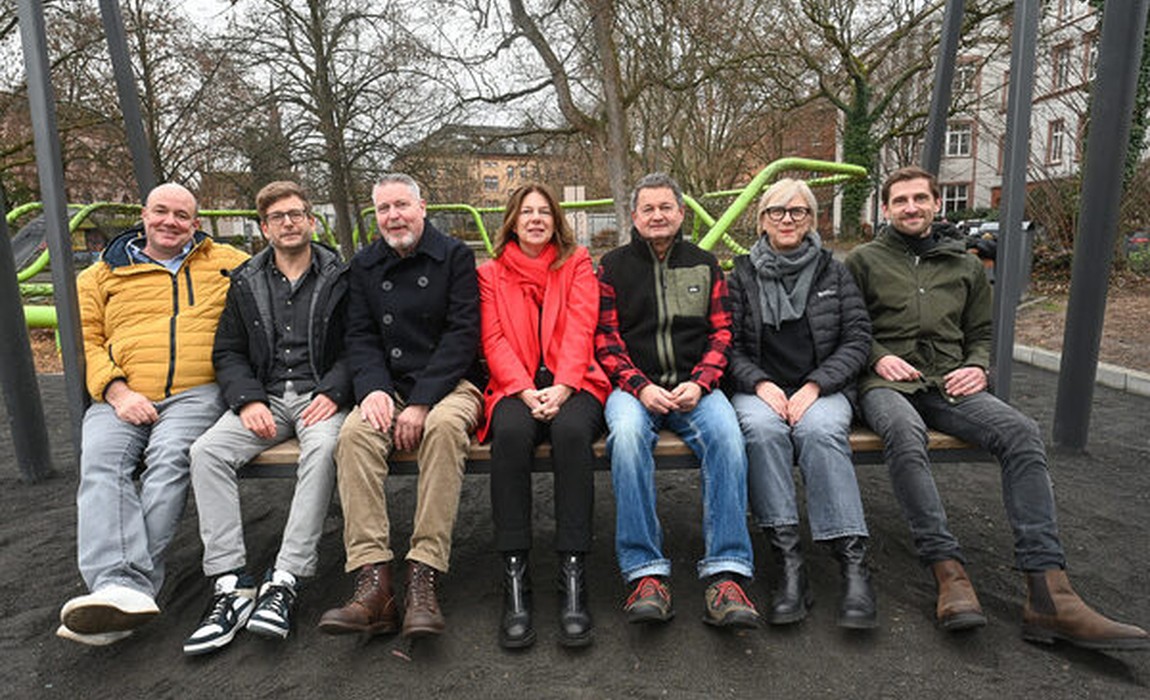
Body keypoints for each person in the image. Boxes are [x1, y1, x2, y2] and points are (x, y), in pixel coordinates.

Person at [845, 165, 1149, 650]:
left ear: (936, 204)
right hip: (886, 384)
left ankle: (1049, 590)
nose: (910, 207)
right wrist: (879, 357)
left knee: (1020, 432)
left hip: (949, 382)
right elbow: (849, 329)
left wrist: (977, 366)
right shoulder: (863, 262)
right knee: (904, 433)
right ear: (885, 209)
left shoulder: (964, 265)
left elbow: (981, 333)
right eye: (900, 200)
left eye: (920, 198)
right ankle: (948, 571)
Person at [57, 183, 248, 646]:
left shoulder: (227, 263)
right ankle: (120, 587)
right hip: (120, 392)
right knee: (101, 463)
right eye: (161, 211)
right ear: (143, 216)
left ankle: (124, 589)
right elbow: (84, 342)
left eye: (182, 216)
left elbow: (288, 268)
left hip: (195, 392)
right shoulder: (100, 276)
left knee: (169, 460)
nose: (170, 222)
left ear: (195, 224)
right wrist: (117, 392)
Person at [182, 181, 351, 655]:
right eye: (278, 217)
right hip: (267, 399)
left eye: (296, 214)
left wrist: (335, 391)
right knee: (207, 451)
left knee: (324, 448)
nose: (288, 223)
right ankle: (231, 581)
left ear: (312, 221)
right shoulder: (245, 280)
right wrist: (247, 399)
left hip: (321, 397)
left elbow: (357, 344)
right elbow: (229, 351)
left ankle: (286, 578)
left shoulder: (341, 276)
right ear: (264, 228)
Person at [317, 173, 483, 641]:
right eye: (384, 209)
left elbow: (462, 335)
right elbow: (360, 335)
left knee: (445, 430)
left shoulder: (454, 256)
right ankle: (374, 583)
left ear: (421, 207)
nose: (393, 216)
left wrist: (423, 401)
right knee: (353, 436)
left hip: (450, 383)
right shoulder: (365, 264)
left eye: (401, 206)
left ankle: (424, 573)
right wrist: (372, 389)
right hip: (388, 383)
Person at [595, 172, 760, 629]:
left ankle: (726, 573)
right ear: (633, 216)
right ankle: (645, 573)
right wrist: (640, 386)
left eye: (665, 207)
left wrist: (702, 382)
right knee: (626, 437)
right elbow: (605, 339)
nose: (657, 216)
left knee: (728, 437)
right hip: (634, 389)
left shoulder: (705, 264)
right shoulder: (611, 267)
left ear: (681, 212)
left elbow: (722, 333)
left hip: (695, 387)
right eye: (647, 208)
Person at [726, 178, 876, 629]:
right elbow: (727, 345)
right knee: (761, 431)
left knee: (821, 430)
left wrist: (816, 385)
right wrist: (759, 383)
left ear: (811, 219)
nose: (787, 219)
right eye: (777, 211)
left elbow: (857, 338)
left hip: (822, 388)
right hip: (760, 388)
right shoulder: (742, 275)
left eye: (797, 211)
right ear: (762, 220)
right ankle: (789, 562)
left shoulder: (835, 272)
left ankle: (853, 564)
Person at [478, 184, 609, 648]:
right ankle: (515, 575)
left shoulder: (577, 264)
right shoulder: (490, 273)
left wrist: (565, 384)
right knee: (511, 435)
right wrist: (523, 389)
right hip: (516, 386)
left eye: (544, 212)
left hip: (576, 382)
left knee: (572, 433)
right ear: (512, 221)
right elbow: (493, 338)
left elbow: (582, 326)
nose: (535, 219)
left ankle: (573, 571)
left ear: (556, 221)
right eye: (526, 212)